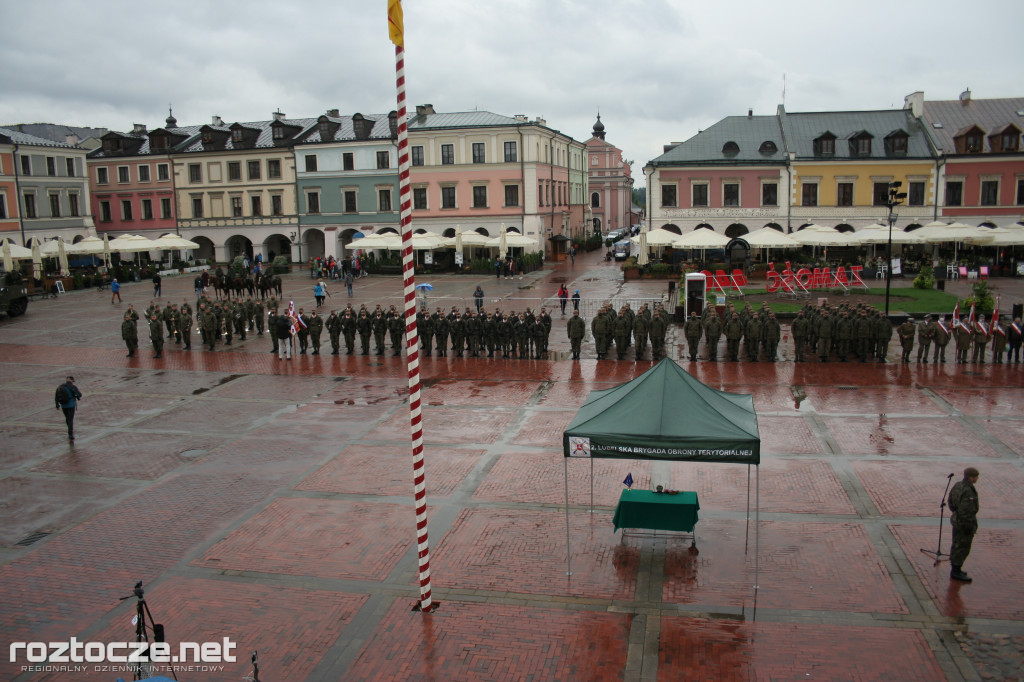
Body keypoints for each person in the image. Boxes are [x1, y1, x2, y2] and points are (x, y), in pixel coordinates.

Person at [948, 467, 980, 582]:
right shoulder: (967, 491)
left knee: (956, 544)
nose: (977, 478)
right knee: (962, 547)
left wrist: (955, 513)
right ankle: (956, 571)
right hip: (964, 524)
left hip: (957, 520)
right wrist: (968, 525)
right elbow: (966, 511)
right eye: (976, 476)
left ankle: (956, 568)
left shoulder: (958, 485)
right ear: (971, 478)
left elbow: (950, 502)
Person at [55, 376, 82, 441]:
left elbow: (56, 397)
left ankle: (70, 430)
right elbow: (79, 394)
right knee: (70, 419)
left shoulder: (60, 387)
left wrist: (57, 405)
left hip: (63, 406)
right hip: (71, 405)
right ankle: (70, 433)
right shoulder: (72, 387)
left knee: (67, 418)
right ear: (72, 380)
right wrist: (77, 396)